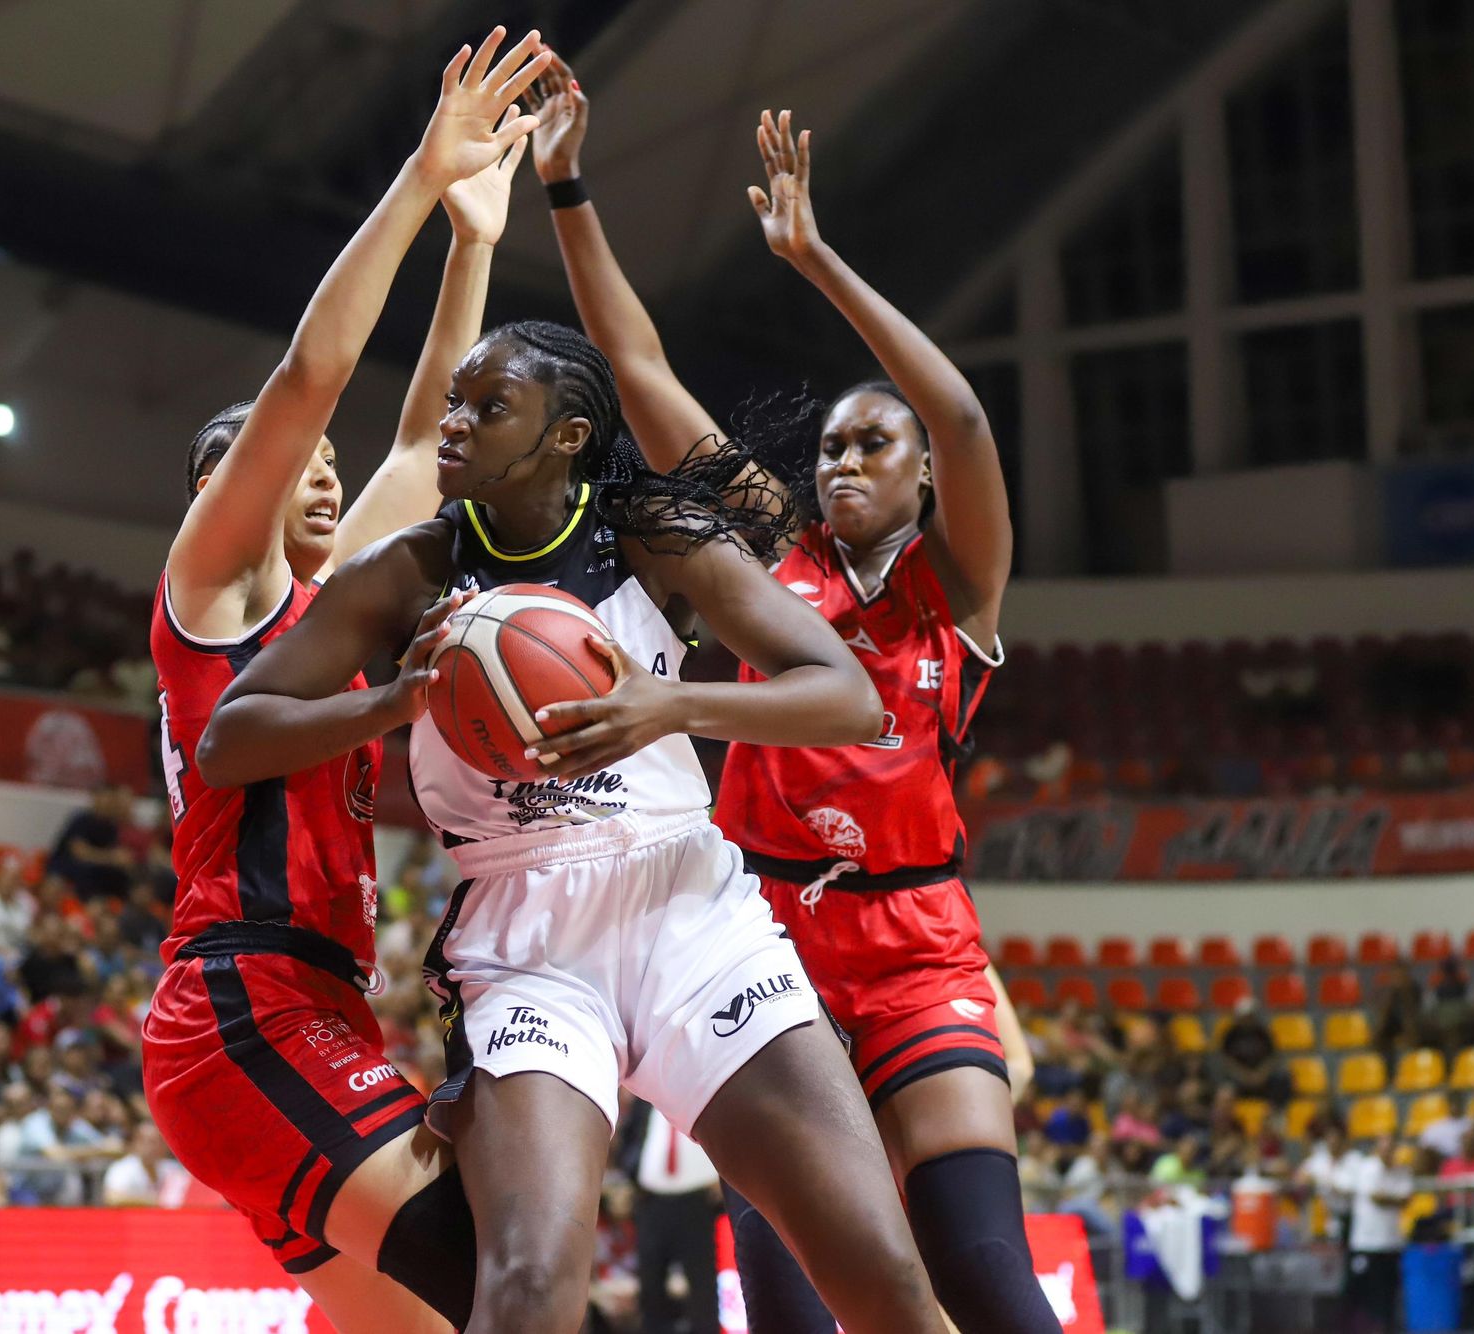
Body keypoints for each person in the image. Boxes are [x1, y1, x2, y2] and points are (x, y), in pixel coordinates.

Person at [204, 343, 936, 1333]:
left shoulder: (655, 536)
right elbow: (225, 740)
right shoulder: (406, 569)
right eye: (451, 402)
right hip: (527, 938)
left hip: (686, 906)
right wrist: (395, 697)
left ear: (567, 436)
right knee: (523, 1291)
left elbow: (846, 696)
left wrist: (667, 706)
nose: (452, 422)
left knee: (879, 1272)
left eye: (487, 405)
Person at [522, 59, 1051, 1334]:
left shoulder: (955, 589)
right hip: (760, 942)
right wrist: (567, 187)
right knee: (792, 1306)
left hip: (916, 943)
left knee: (982, 1271)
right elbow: (635, 367)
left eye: (873, 443)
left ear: (920, 476)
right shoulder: (769, 556)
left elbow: (966, 416)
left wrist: (811, 260)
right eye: (828, 447)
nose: (842, 461)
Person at [140, 29, 551, 1333]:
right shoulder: (208, 595)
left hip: (319, 1006)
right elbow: (312, 378)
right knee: (506, 1280)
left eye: (325, 465)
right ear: (219, 490)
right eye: (272, 457)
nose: (316, 468)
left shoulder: (325, 617)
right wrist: (420, 183)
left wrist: (475, 242)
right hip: (241, 1006)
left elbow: (433, 436)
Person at [618, 1101, 721, 1334]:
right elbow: (630, 1136)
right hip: (652, 1201)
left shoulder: (705, 1099)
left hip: (698, 1201)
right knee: (651, 1283)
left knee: (702, 1284)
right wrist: (632, 1172)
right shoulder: (646, 1101)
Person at [1342, 1137, 1412, 1334]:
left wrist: (1389, 1197)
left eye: (1390, 1149)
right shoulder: (1367, 1168)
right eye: (1383, 1149)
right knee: (1361, 1293)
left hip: (1390, 1243)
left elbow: (1405, 1199)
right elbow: (1377, 1197)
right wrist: (1394, 1198)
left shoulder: (1401, 1171)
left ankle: (1386, 1328)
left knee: (1388, 1294)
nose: (1387, 1153)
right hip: (1366, 1243)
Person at [47, 784, 136, 902]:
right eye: (103, 799)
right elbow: (80, 852)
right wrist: (111, 858)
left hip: (94, 871)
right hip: (67, 867)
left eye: (109, 800)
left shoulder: (111, 827)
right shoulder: (81, 819)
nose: (106, 804)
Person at [102, 1120, 191, 1207]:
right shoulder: (122, 1168)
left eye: (156, 1142)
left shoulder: (172, 1169)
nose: (151, 1147)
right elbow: (113, 1199)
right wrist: (156, 1202)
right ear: (135, 1142)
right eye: (145, 1141)